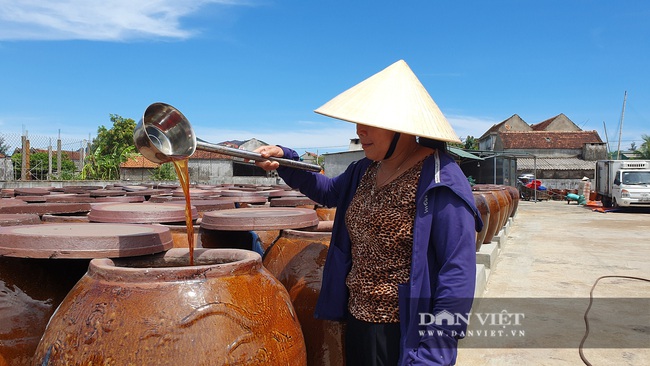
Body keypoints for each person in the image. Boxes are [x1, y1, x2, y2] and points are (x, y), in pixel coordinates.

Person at [255, 60, 482, 365]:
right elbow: (326, 191)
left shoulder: (442, 181)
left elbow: (457, 272)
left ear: (403, 126)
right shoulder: (365, 169)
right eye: (357, 122)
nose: (359, 131)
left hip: (405, 333)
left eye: (370, 122)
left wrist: (435, 352)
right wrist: (286, 160)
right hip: (358, 320)